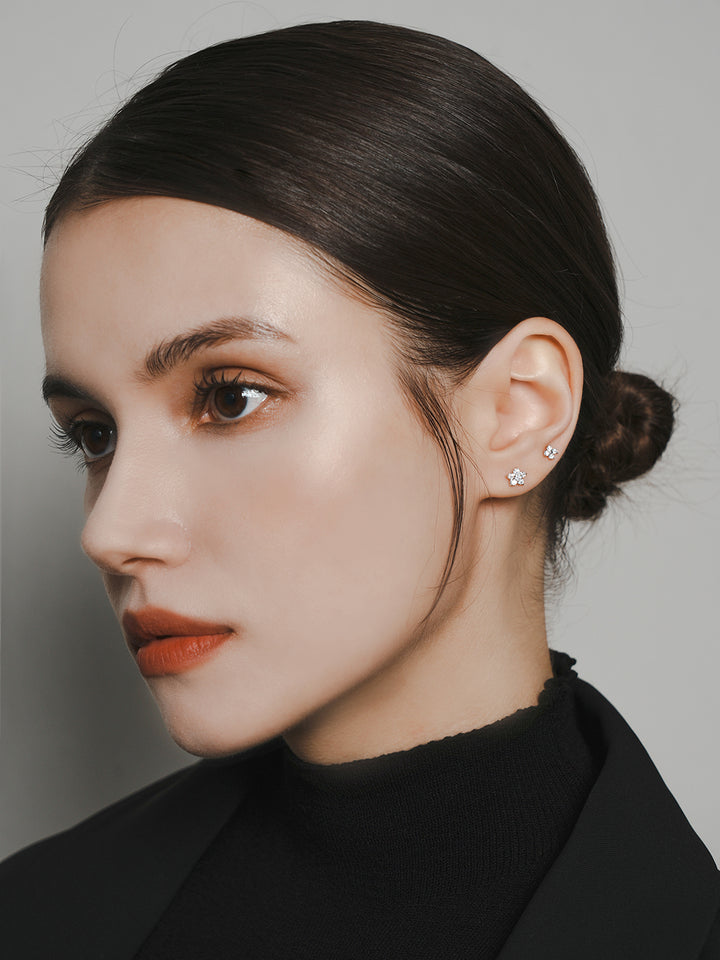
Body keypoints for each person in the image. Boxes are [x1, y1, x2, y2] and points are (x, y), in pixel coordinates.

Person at [1, 19, 718, 959]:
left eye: (230, 397)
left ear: (517, 412)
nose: (112, 531)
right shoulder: (33, 916)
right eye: (94, 434)